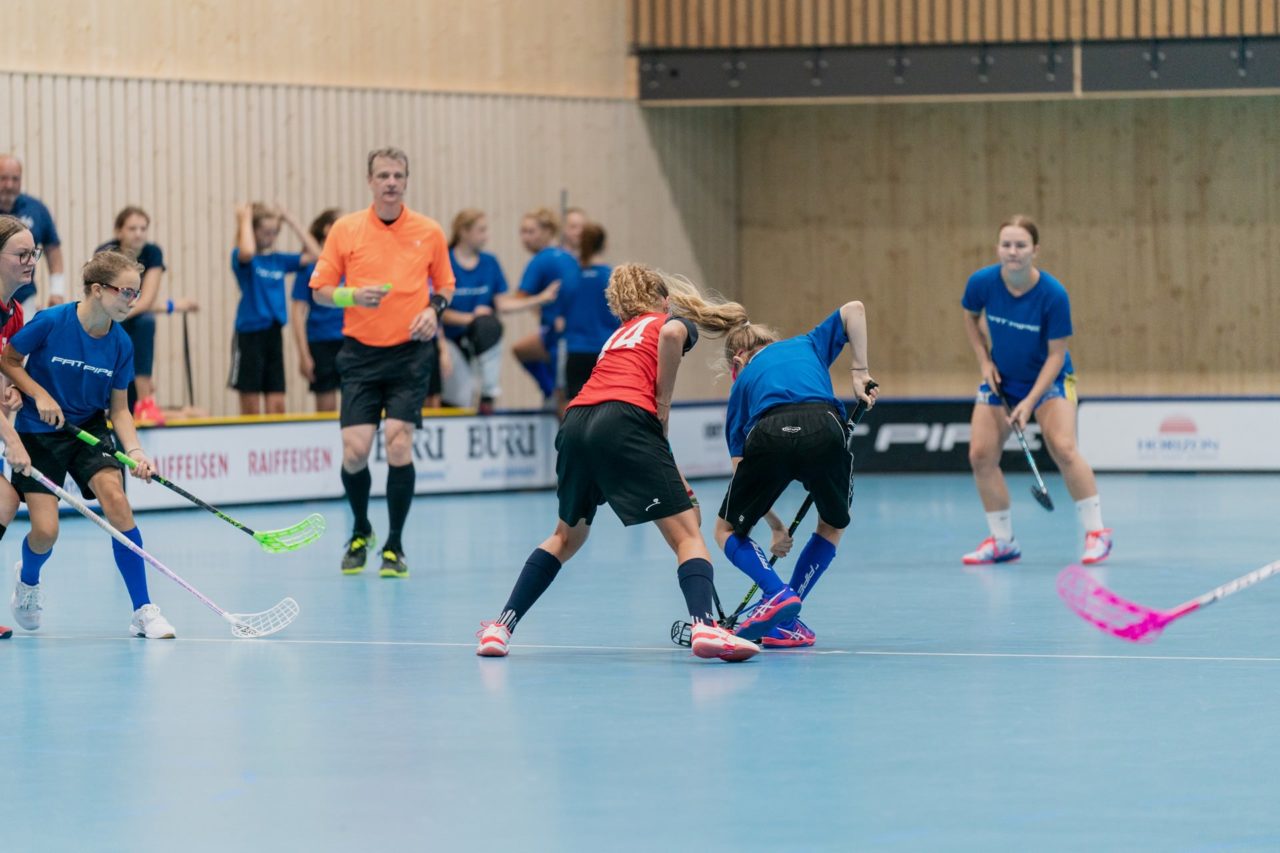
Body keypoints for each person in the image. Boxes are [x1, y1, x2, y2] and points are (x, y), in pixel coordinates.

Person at [475, 263, 759, 662]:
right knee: (687, 536)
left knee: (565, 537)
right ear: (662, 301)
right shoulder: (668, 323)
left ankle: (500, 628)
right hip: (626, 420)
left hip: (576, 422)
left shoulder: (617, 336)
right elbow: (672, 337)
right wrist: (663, 407)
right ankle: (704, 626)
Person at [1, 250, 175, 639]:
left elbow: (120, 409)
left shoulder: (121, 343)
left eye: (136, 293)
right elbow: (9, 360)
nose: (133, 300)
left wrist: (135, 452)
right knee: (46, 532)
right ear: (97, 290)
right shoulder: (51, 321)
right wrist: (38, 394)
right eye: (126, 292)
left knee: (117, 500)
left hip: (89, 429)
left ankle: (143, 610)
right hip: (39, 429)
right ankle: (28, 580)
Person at [310, 147, 455, 578]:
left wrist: (433, 311)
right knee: (355, 452)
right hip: (360, 353)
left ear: (406, 181)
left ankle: (394, 545)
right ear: (370, 181)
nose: (391, 182)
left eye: (398, 175)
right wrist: (352, 295)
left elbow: (445, 284)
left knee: (398, 443)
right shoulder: (346, 229)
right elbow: (319, 290)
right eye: (383, 175)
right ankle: (361, 529)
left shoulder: (428, 231)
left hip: (411, 352)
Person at [712, 302, 878, 648]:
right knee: (832, 525)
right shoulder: (808, 343)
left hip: (768, 432)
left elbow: (740, 470)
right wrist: (860, 372)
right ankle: (787, 618)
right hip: (824, 426)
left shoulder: (741, 384)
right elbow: (854, 309)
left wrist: (774, 525)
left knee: (726, 530)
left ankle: (776, 593)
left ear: (738, 361)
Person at [960, 215, 1112, 566]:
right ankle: (1003, 542)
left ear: (1035, 250)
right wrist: (984, 361)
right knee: (980, 455)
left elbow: (1057, 355)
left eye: (1020, 245)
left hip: (1051, 380)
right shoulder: (982, 283)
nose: (1012, 251)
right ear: (998, 248)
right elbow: (970, 317)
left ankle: (1097, 534)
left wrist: (1029, 403)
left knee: (1063, 447)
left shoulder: (1053, 295)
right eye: (1006, 244)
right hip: (1002, 378)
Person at [439, 209, 557, 413]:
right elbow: (439, 310)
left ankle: (488, 394)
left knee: (489, 325)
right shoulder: (446, 261)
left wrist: (540, 298)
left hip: (480, 338)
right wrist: (471, 318)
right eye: (481, 230)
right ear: (464, 231)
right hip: (450, 339)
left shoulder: (489, 262)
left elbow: (502, 304)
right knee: (461, 396)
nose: (486, 236)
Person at [230, 202, 322, 415]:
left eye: (274, 233)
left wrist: (291, 220)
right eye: (265, 232)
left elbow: (317, 255)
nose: (270, 238)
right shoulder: (243, 258)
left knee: (277, 403)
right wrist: (244, 219)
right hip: (250, 334)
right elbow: (247, 250)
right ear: (253, 231)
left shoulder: (278, 260)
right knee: (251, 405)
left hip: (273, 334)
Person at [94, 206, 168, 424]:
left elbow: (147, 299)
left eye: (143, 229)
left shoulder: (152, 252)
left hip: (130, 313)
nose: (138, 234)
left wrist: (122, 314)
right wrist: (113, 315)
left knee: (145, 322)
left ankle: (145, 402)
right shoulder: (106, 252)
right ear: (119, 231)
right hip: (107, 312)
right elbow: (103, 297)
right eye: (132, 228)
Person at [0, 215, 38, 640]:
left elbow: (7, 371)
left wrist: (12, 391)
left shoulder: (15, 314)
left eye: (34, 254)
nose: (30, 262)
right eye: (21, 254)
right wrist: (11, 439)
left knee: (4, 501)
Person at [509, 208, 579, 404]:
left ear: (548, 232)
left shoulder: (541, 260)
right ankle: (550, 390)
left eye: (531, 232)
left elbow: (518, 299)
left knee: (562, 397)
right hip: (571, 331)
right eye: (522, 232)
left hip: (558, 335)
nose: (525, 238)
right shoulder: (567, 256)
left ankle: (549, 390)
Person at [290, 209, 345, 412]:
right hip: (321, 341)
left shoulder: (350, 264)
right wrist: (304, 354)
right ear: (327, 229)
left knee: (355, 402)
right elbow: (297, 312)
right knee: (326, 405)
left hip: (349, 340)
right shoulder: (310, 268)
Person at [0, 154, 66, 314]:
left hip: (24, 296)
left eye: (15, 179)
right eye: (3, 178)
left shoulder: (36, 209)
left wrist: (57, 290)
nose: (9, 185)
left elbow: (53, 251)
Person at [562, 222, 619, 402]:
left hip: (576, 351)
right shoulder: (612, 277)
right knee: (606, 406)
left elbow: (558, 313)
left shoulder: (571, 277)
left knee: (576, 407)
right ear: (604, 244)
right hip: (606, 350)